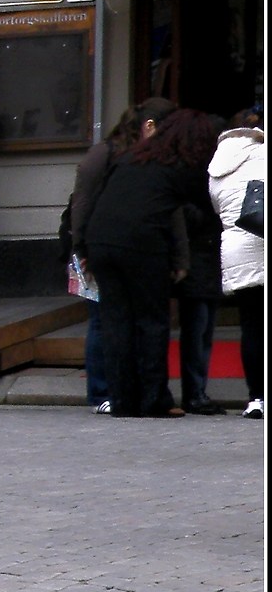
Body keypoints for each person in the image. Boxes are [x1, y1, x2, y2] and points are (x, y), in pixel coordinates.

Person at [86, 108, 218, 420]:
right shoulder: (180, 168)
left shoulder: (133, 158)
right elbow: (205, 207)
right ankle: (154, 399)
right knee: (151, 321)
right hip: (142, 244)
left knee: (117, 321)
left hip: (102, 241)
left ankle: (123, 400)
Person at [64, 97, 171, 413]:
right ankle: (102, 392)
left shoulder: (127, 156)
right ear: (147, 127)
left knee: (112, 319)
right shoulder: (107, 155)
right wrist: (80, 248)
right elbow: (80, 204)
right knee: (102, 319)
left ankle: (120, 391)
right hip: (97, 245)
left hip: (107, 244)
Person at [210, 106, 265, 418]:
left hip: (238, 251)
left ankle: (256, 398)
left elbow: (218, 208)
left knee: (252, 327)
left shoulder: (217, 165)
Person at [172, 113, 228, 416]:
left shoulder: (189, 169)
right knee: (199, 329)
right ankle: (195, 392)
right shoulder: (199, 173)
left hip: (200, 256)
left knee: (200, 328)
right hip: (200, 256)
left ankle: (196, 391)